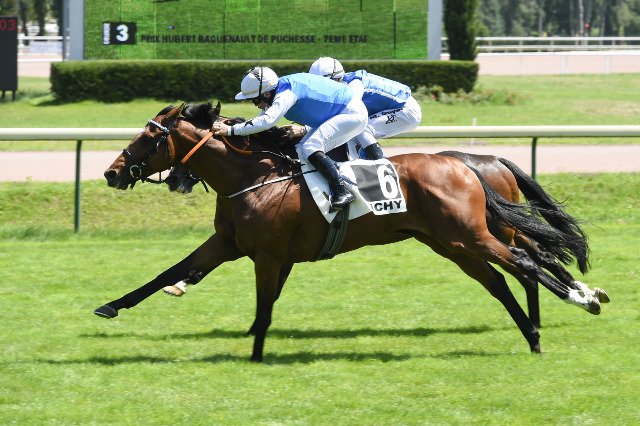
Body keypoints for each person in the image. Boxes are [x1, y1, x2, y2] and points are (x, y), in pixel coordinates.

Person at [212, 66, 367, 213]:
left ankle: (341, 190)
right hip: (341, 112)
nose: (256, 105)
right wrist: (238, 129)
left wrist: (231, 130)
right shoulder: (278, 88)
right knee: (301, 148)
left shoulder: (285, 94)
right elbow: (263, 118)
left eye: (255, 100)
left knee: (310, 147)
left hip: (350, 114)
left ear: (266, 94)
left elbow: (267, 121)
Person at [308, 57, 422, 160]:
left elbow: (346, 114)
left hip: (406, 110)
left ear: (336, 79)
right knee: (352, 134)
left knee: (362, 129)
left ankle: (381, 165)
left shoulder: (354, 86)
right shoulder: (342, 84)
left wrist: (306, 129)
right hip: (398, 107)